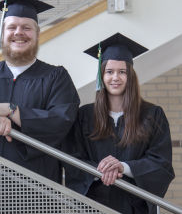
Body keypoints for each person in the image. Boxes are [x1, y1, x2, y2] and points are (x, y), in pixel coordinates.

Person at [0, 0, 80, 183]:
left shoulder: (56, 77)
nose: (19, 32)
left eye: (26, 27)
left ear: (37, 34)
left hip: (37, 184)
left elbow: (61, 121)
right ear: (2, 34)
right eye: (12, 27)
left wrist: (12, 110)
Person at [64, 33, 175, 213]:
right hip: (94, 206)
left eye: (122, 72)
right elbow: (73, 159)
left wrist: (124, 167)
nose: (115, 77)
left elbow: (161, 163)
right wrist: (102, 169)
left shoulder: (152, 115)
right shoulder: (84, 115)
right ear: (102, 75)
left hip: (135, 207)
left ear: (130, 76)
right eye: (109, 71)